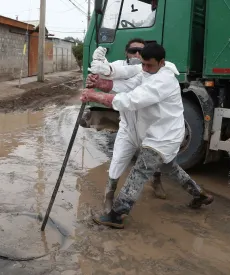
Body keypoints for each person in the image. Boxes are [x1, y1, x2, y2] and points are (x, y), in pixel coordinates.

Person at [81, 43, 214, 228]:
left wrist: (95, 96)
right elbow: (127, 84)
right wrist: (100, 84)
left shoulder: (164, 80)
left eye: (149, 65)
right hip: (149, 132)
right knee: (170, 168)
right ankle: (200, 195)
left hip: (164, 135)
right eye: (143, 64)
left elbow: (132, 99)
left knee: (141, 169)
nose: (144, 68)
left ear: (162, 62)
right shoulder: (145, 71)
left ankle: (117, 215)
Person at [85, 39, 167, 214]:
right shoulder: (118, 66)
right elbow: (112, 76)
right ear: (126, 52)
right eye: (133, 50)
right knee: (117, 161)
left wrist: (100, 87)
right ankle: (108, 196)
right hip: (128, 126)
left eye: (141, 51)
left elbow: (127, 83)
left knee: (158, 160)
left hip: (149, 128)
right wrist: (95, 79)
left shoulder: (150, 73)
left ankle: (157, 181)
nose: (137, 54)